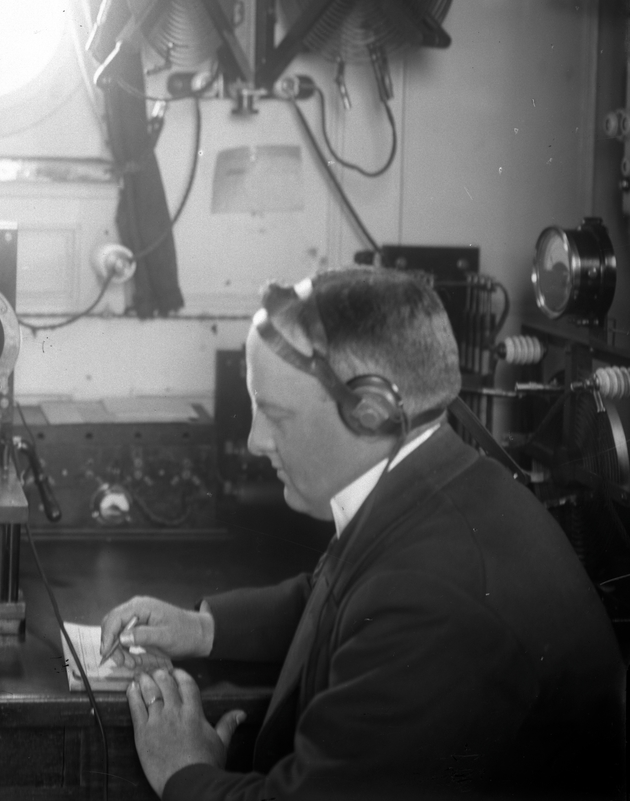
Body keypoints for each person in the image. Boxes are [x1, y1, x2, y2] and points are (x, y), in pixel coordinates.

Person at [100, 266, 624, 800]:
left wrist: (185, 770)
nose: (256, 440)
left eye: (274, 414)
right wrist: (202, 628)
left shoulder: (437, 599)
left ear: (371, 412)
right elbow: (339, 597)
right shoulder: (441, 484)